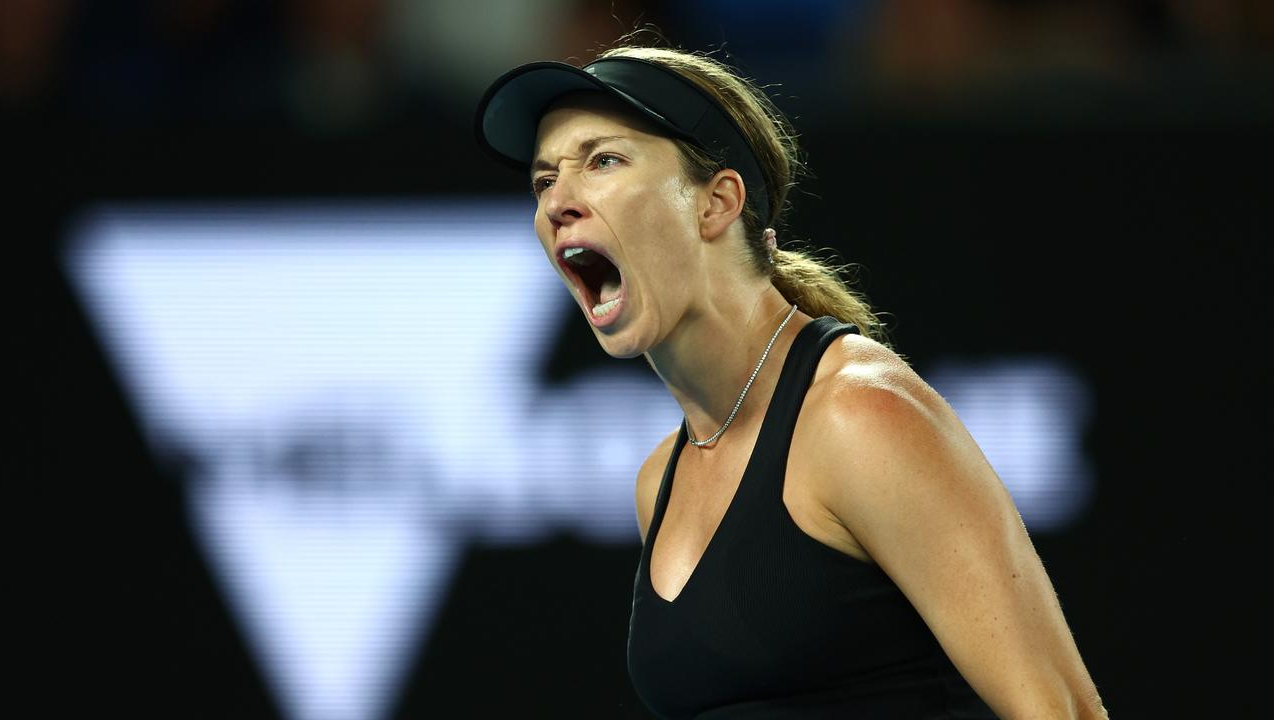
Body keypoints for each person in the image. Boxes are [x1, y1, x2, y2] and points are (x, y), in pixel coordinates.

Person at [475, 39, 1108, 720]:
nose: (558, 201)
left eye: (603, 161)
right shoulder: (661, 479)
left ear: (716, 203)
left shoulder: (858, 418)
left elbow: (1062, 711)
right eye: (544, 180)